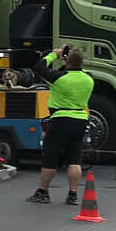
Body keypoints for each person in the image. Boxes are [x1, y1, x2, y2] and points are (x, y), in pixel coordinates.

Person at [29, 45, 94, 206]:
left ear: (67, 61)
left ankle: (43, 192)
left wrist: (54, 55)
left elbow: (38, 67)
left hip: (60, 120)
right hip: (80, 120)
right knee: (75, 159)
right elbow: (76, 70)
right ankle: (72, 195)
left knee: (50, 157)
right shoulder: (89, 78)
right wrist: (68, 61)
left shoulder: (59, 78)